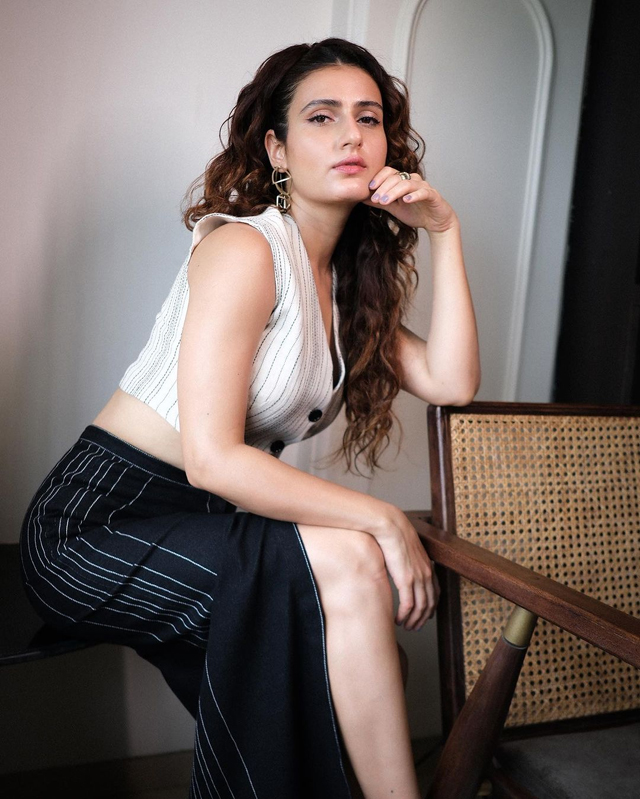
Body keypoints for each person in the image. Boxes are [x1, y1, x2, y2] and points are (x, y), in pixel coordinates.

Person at [19, 37, 480, 799]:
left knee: (345, 650)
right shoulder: (246, 250)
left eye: (368, 118)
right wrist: (384, 521)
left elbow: (452, 383)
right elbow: (212, 460)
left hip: (200, 527)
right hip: (95, 529)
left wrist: (446, 229)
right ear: (277, 148)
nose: (351, 135)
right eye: (322, 117)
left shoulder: (345, 286)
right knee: (353, 564)